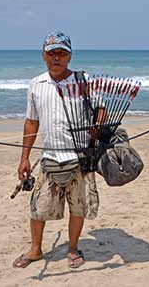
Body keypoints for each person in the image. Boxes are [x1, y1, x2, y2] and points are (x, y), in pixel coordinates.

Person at [13, 31, 99, 269]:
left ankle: (72, 249)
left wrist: (96, 132)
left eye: (62, 53)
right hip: (49, 157)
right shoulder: (36, 84)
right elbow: (31, 122)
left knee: (78, 206)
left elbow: (100, 109)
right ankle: (35, 250)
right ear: (43, 56)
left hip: (80, 158)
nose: (57, 58)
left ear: (69, 56)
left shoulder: (85, 81)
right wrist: (24, 158)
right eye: (52, 53)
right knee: (38, 207)